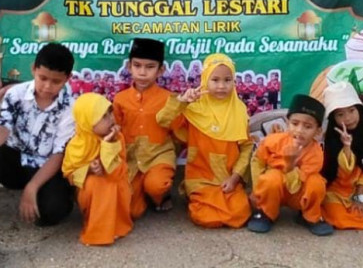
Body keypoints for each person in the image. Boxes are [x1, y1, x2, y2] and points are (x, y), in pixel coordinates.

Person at [0, 43, 76, 268]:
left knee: (53, 212)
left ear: (67, 78)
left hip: (46, 167)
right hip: (15, 161)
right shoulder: (15, 94)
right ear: (33, 68)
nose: (47, 86)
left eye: (56, 81)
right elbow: (3, 128)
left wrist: (32, 188)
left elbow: (58, 155)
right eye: (43, 77)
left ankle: (39, 195)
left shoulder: (71, 107)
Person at [157, 53, 253, 228]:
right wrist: (182, 102)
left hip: (228, 179)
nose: (221, 86)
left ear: (234, 82)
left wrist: (234, 178)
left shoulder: (239, 111)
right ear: (204, 80)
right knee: (204, 217)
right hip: (200, 177)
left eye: (227, 80)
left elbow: (246, 148)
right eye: (215, 80)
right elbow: (163, 121)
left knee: (241, 212)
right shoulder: (194, 108)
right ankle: (193, 195)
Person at [247, 94, 332, 236]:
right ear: (287, 123)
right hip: (273, 191)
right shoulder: (273, 141)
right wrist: (256, 190)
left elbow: (295, 186)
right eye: (295, 123)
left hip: (297, 194)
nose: (299, 130)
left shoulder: (316, 153)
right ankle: (266, 214)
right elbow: (257, 161)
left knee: (317, 183)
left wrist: (290, 163)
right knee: (271, 177)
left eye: (308, 126)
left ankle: (309, 216)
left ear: (318, 131)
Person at [112, 38, 176, 218]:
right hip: (131, 158)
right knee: (132, 212)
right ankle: (142, 191)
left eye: (149, 67)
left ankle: (160, 195)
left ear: (160, 70)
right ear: (129, 66)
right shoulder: (120, 99)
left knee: (157, 185)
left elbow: (178, 131)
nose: (142, 72)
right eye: (137, 66)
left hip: (158, 154)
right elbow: (115, 131)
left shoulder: (168, 98)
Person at [62, 93, 132, 246]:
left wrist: (109, 144)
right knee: (97, 183)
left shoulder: (117, 137)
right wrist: (88, 170)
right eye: (104, 117)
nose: (111, 119)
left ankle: (115, 225)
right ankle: (98, 231)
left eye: (110, 113)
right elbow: (69, 175)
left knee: (112, 182)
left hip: (117, 185)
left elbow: (116, 172)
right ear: (88, 121)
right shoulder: (77, 145)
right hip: (90, 194)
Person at [320, 82, 363, 230]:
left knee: (361, 218)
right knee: (337, 217)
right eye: (340, 114)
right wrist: (346, 147)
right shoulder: (332, 138)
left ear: (359, 109)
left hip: (361, 189)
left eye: (352, 110)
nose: (348, 118)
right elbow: (335, 172)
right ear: (333, 118)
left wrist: (360, 196)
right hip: (337, 190)